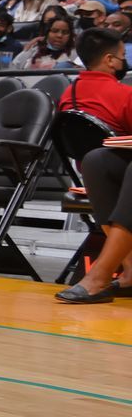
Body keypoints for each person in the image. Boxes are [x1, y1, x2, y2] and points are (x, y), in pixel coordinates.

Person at [54, 28, 132, 303]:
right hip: (108, 172)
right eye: (124, 56)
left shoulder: (68, 93)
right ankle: (129, 268)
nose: (126, 61)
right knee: (97, 159)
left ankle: (101, 273)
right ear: (111, 60)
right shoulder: (123, 94)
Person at [13, 15, 77, 69]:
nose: (59, 35)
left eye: (65, 32)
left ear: (71, 35)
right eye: (55, 31)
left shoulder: (75, 54)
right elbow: (14, 67)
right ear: (47, 33)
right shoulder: (33, 48)